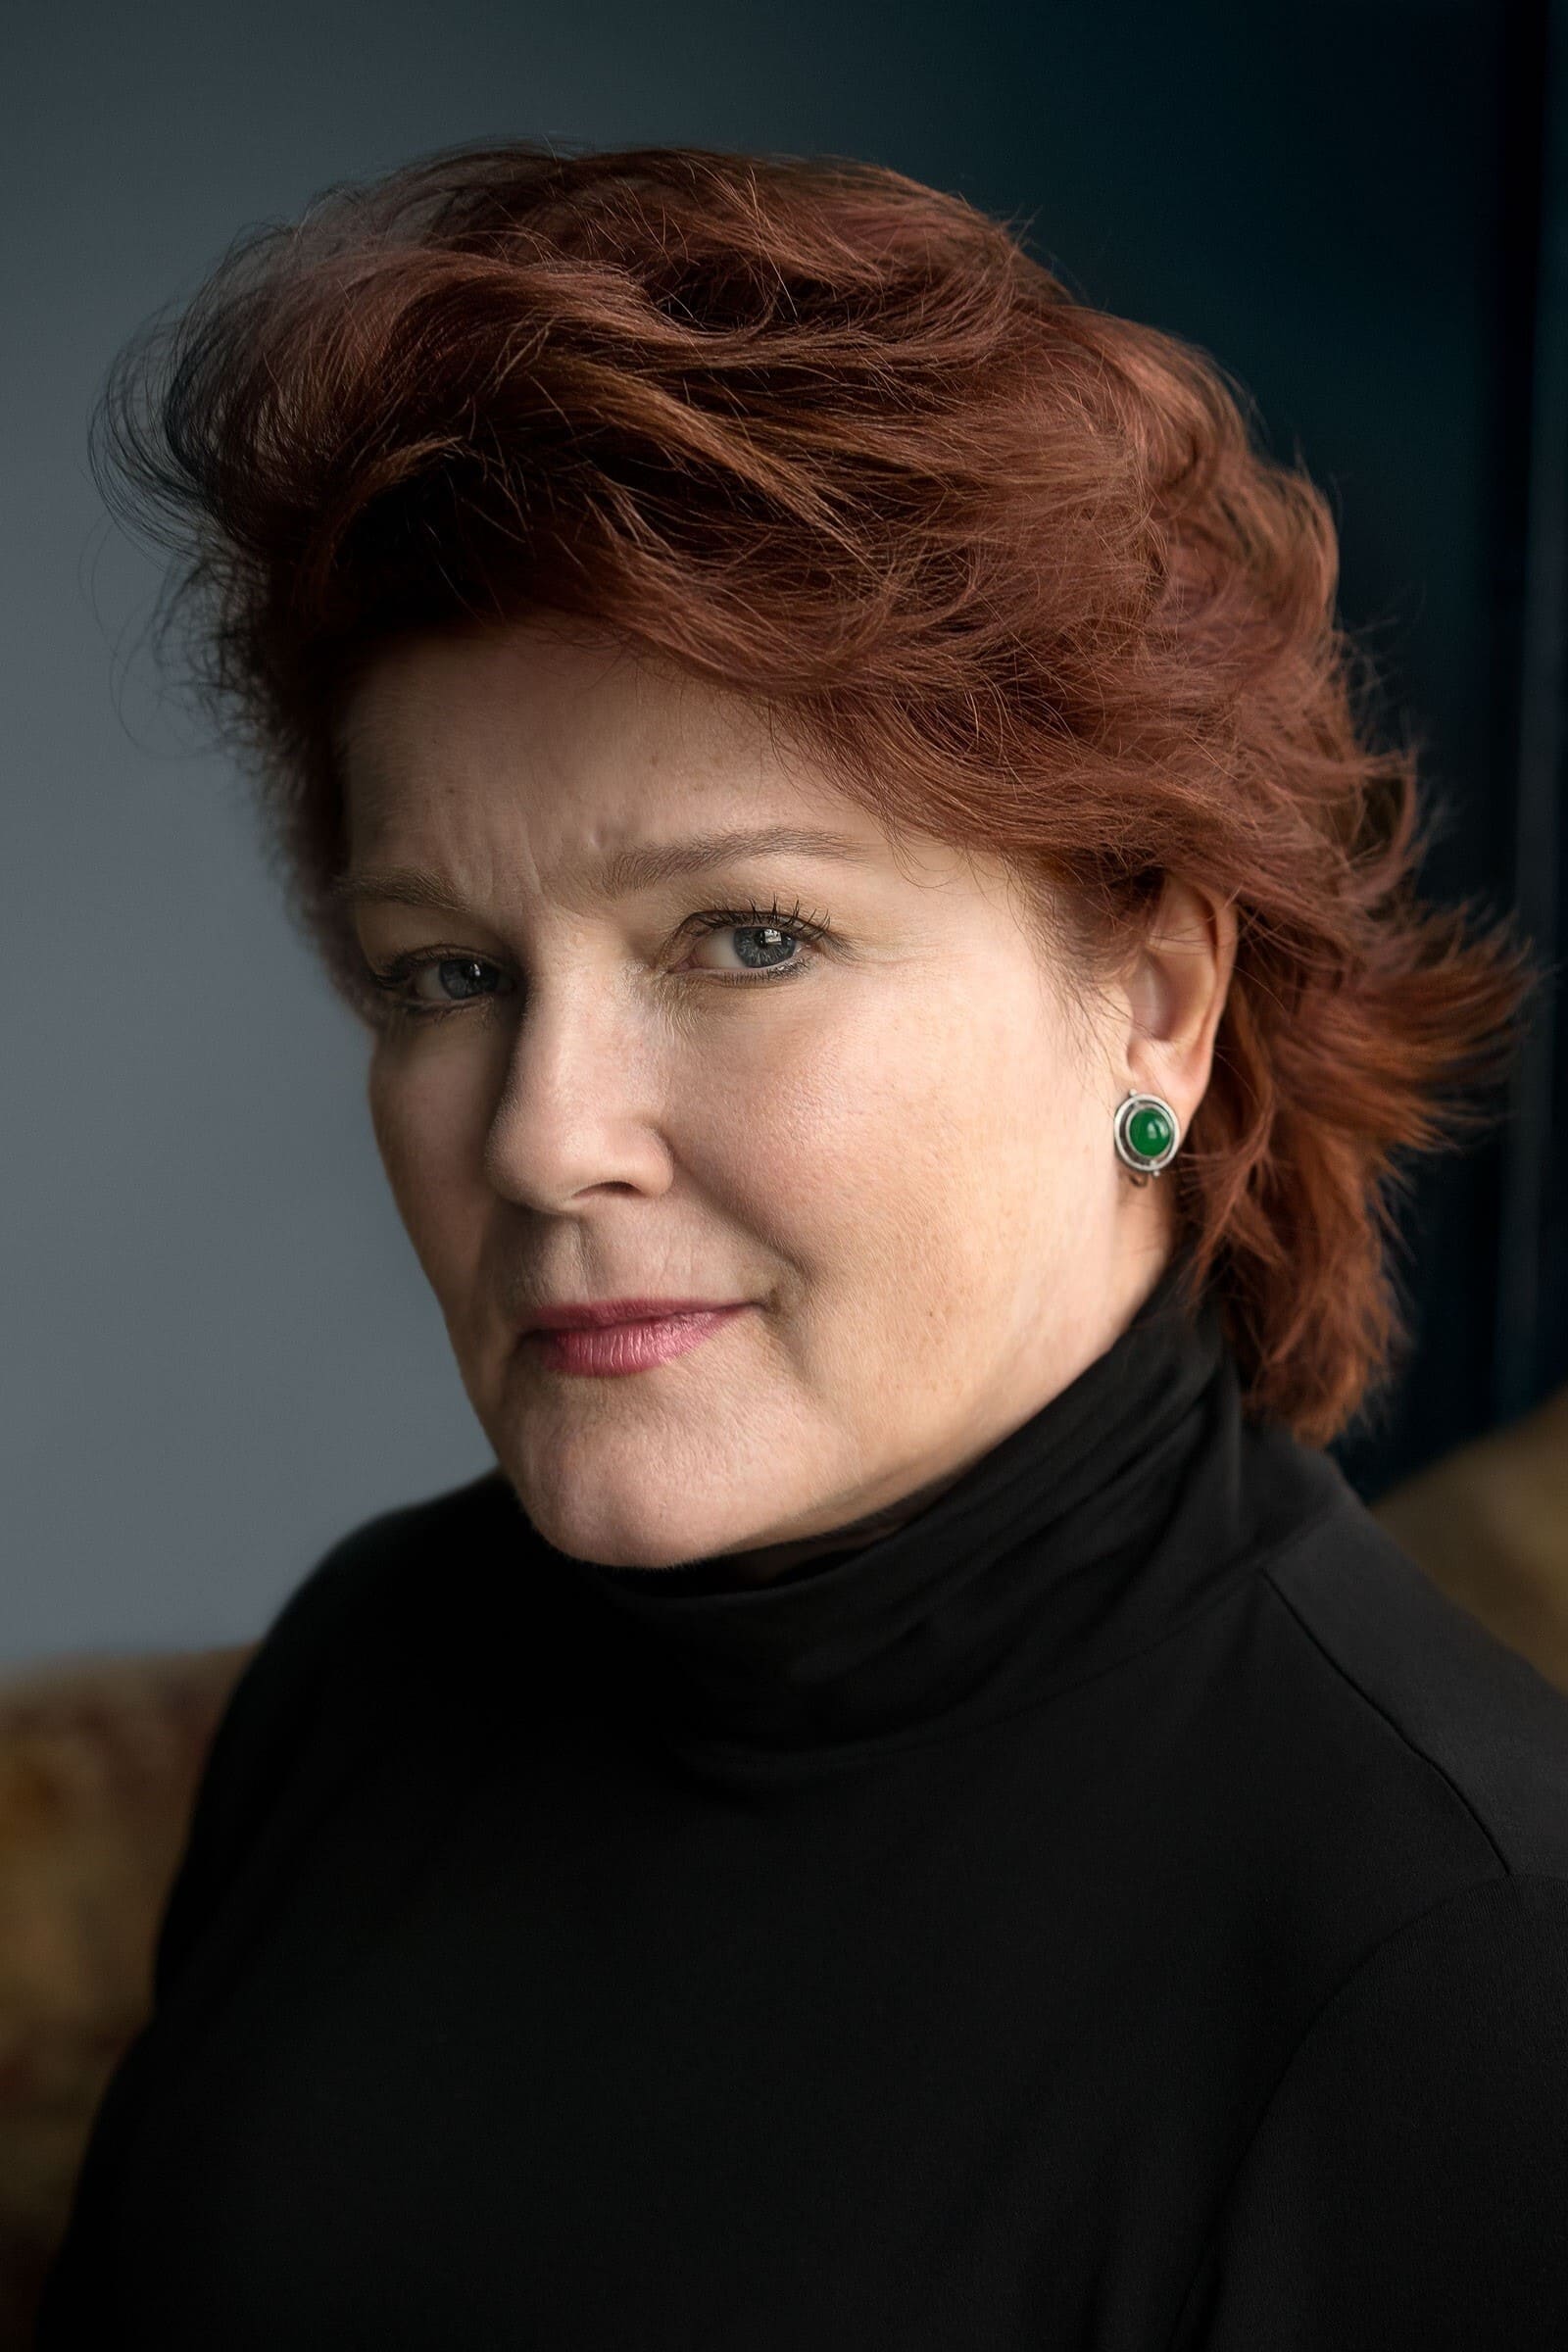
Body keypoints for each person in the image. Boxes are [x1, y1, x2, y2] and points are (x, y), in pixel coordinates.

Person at [37, 140, 1568, 2349]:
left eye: (745, 936)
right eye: (444, 974)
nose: (542, 1139)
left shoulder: (1471, 1985)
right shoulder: (374, 1668)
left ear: (1154, 999)